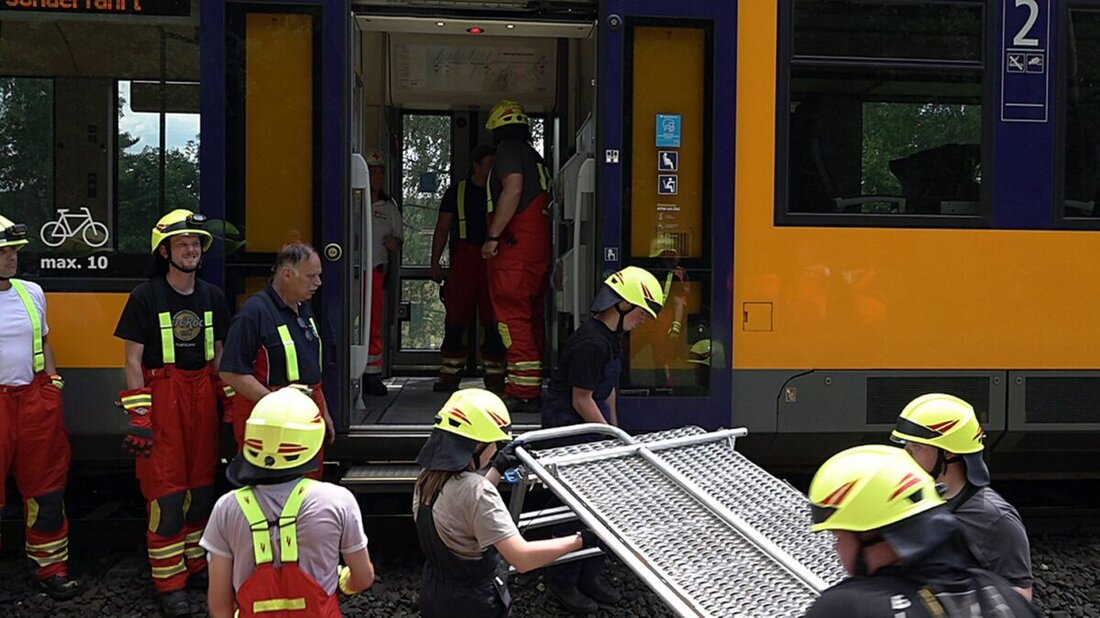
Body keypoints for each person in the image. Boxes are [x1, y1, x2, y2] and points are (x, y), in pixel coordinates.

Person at [114, 209, 231, 615]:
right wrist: (140, 416)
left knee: (201, 489)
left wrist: (229, 403)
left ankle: (195, 564)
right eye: (182, 244)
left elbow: (217, 355)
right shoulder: (145, 296)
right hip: (163, 396)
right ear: (164, 251)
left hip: (201, 394)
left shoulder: (213, 296)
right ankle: (169, 583)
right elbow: (131, 359)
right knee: (166, 494)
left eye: (196, 243)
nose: (191, 249)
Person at [539, 266, 665, 614]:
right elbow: (582, 399)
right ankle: (563, 583)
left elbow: (605, 393)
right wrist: (610, 436)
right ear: (622, 305)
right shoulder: (590, 343)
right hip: (569, 437)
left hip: (594, 434)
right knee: (572, 514)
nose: (643, 320)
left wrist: (618, 433)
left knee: (601, 512)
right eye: (641, 312)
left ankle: (590, 575)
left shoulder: (610, 339)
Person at [413, 388, 594, 618]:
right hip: (474, 605)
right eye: (495, 443)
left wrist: (498, 467)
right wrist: (583, 539)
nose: (497, 448)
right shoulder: (477, 492)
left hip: (435, 597)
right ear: (477, 444)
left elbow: (465, 507)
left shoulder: (426, 480)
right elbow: (522, 558)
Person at [200, 388, 375, 617]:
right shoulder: (338, 501)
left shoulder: (227, 507)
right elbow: (363, 579)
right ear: (312, 441)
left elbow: (219, 605)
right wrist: (343, 582)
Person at [805, 444, 1036, 617]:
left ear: (877, 535)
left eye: (838, 536)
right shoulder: (1006, 598)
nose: (837, 549)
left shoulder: (847, 607)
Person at [0, 214, 81, 600]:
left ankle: (50, 568)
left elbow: (45, 341)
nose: (11, 258)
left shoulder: (32, 292)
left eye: (13, 251)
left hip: (34, 401)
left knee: (46, 491)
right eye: (3, 252)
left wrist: (52, 383)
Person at [891, 393, 1034, 599]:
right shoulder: (912, 499)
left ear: (948, 453)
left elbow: (1020, 594)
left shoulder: (995, 518)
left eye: (917, 446)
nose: (907, 453)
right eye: (906, 444)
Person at [220, 242, 336, 459]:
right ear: (287, 274)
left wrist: (324, 413)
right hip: (271, 424)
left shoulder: (304, 308)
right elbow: (231, 372)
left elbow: (310, 371)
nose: (318, 282)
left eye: (318, 276)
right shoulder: (253, 313)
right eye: (311, 276)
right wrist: (276, 406)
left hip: (304, 414)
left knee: (306, 486)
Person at [481, 100, 554, 413]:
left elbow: (512, 190)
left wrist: (493, 236)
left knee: (512, 317)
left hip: (514, 249)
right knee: (530, 315)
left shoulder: (509, 150)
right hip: (536, 250)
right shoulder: (535, 156)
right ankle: (531, 383)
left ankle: (523, 392)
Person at [430, 144, 506, 394]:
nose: (494, 168)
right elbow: (442, 228)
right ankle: (449, 375)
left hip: (494, 261)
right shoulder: (457, 192)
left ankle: (495, 376)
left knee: (493, 320)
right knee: (455, 319)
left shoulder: (502, 191)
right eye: (489, 163)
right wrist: (435, 262)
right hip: (464, 260)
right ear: (476, 165)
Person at [361, 149, 404, 398]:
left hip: (375, 272)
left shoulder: (388, 207)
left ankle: (372, 375)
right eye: (373, 172)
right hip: (352, 273)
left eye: (380, 173)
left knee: (372, 324)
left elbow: (399, 239)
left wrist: (393, 243)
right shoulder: (352, 201)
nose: (377, 177)